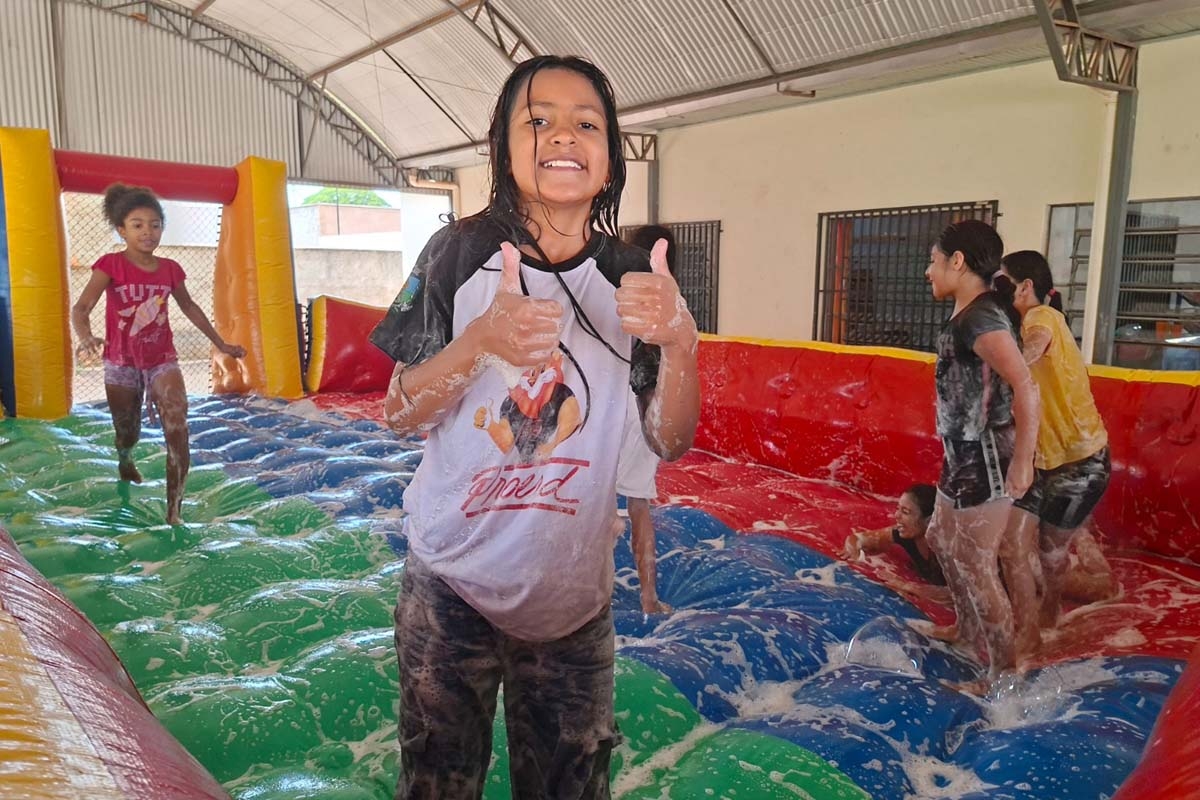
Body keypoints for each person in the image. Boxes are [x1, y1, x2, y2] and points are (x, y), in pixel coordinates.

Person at [369, 56, 700, 799]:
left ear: (610, 153)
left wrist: (682, 343)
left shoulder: (632, 278)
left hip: (571, 597)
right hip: (449, 583)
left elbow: (670, 441)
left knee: (568, 788)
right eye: (538, 119)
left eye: (587, 123)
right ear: (504, 145)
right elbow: (398, 412)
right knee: (436, 781)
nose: (563, 136)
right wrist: (479, 342)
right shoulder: (458, 253)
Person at [71, 183, 245, 525]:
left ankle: (173, 510)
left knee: (177, 424)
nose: (147, 232)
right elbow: (81, 307)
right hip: (121, 362)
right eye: (137, 225)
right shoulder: (110, 265)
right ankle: (125, 457)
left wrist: (221, 343)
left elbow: (190, 307)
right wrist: (86, 336)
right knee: (128, 431)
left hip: (162, 359)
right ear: (121, 230)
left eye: (154, 225)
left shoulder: (170, 269)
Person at [923, 220, 1039, 684]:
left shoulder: (981, 318)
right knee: (939, 537)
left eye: (933, 261)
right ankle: (966, 629)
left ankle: (1002, 674)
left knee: (976, 563)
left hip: (985, 454)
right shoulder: (972, 312)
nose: (928, 271)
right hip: (962, 451)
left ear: (957, 261)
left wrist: (1023, 461)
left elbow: (1025, 386)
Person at [995, 251, 1115, 652]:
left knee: (1050, 555)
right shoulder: (1016, 325)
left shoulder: (1043, 317)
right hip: (1039, 460)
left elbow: (1034, 347)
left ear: (1025, 287)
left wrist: (1005, 364)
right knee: (1012, 546)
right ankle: (1027, 630)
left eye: (1003, 283)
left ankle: (1055, 603)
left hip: (1082, 463)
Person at [617, 224, 679, 615]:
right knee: (639, 504)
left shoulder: (619, 291)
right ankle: (649, 598)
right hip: (648, 409)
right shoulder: (671, 298)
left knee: (593, 503)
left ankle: (587, 593)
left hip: (617, 403)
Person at [843, 483, 945, 586]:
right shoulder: (905, 533)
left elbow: (951, 593)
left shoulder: (946, 550)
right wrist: (855, 557)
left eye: (905, 512)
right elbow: (857, 539)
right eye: (898, 508)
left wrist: (906, 585)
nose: (896, 515)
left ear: (929, 521)